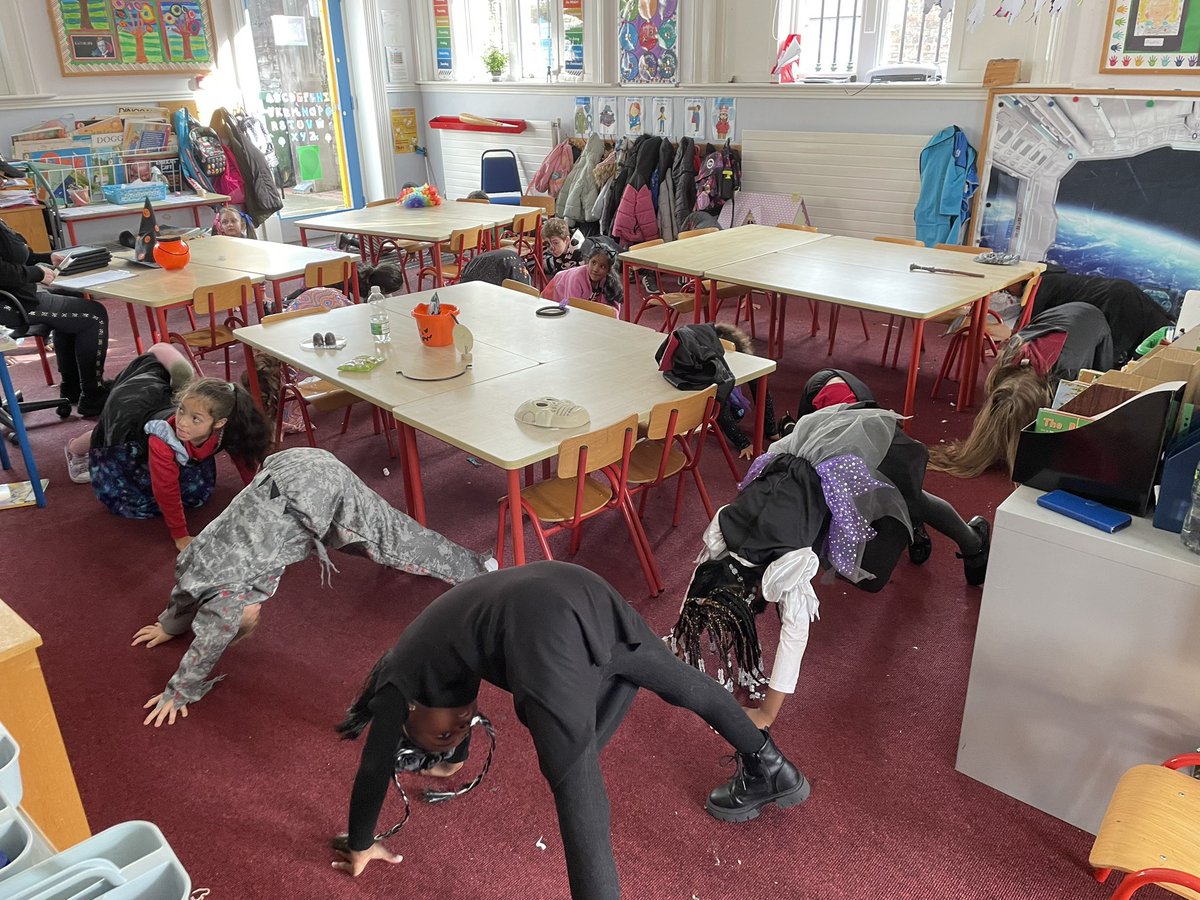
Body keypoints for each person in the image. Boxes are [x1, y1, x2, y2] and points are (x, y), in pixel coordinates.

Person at [333, 562, 808, 898]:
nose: (462, 726)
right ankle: (773, 768)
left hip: (545, 627)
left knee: (577, 788)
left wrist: (359, 842)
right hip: (578, 587)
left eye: (446, 736)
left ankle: (768, 770)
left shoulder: (398, 684)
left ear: (407, 713)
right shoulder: (434, 662)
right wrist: (445, 759)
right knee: (684, 684)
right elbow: (441, 735)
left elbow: (374, 767)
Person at [671, 398, 991, 732]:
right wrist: (681, 641)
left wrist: (767, 713)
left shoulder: (786, 559)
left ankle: (969, 540)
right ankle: (912, 520)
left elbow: (795, 631)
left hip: (871, 451)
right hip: (805, 456)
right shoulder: (725, 532)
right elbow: (700, 579)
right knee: (883, 521)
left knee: (877, 567)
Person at [133, 447, 496, 727]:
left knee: (393, 539)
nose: (257, 608)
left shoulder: (228, 601)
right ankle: (461, 566)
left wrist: (178, 693)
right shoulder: (197, 559)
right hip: (287, 466)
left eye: (250, 614)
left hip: (316, 491)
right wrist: (170, 624)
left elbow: (208, 644)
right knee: (367, 540)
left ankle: (479, 571)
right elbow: (185, 590)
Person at [64, 346, 272, 550]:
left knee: (196, 494)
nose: (182, 422)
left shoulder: (230, 426)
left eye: (195, 419)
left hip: (158, 416)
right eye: (181, 410)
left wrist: (259, 496)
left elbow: (245, 460)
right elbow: (165, 488)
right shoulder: (163, 438)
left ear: (219, 423)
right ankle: (74, 448)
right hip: (129, 411)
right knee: (112, 440)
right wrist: (180, 535)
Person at [928, 301, 1114, 479]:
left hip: (1093, 321)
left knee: (1098, 398)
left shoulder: (1067, 373)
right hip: (1051, 319)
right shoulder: (1010, 355)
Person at [0, 219, 110, 415]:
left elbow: (12, 257)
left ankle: (72, 389)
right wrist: (36, 274)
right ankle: (93, 395)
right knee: (94, 315)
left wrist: (46, 258)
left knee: (72, 298)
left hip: (16, 297)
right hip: (11, 305)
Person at [712, 323, 779, 459]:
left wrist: (771, 430)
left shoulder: (743, 358)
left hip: (724, 386)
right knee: (725, 410)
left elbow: (761, 389)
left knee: (753, 382)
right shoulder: (713, 371)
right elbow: (720, 407)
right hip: (706, 396)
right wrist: (743, 443)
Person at [540, 244, 621, 308]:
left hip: (578, 304)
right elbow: (570, 306)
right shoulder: (576, 278)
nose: (596, 269)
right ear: (587, 261)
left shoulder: (609, 281)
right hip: (554, 298)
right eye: (593, 263)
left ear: (608, 270)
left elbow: (612, 310)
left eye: (602, 266)